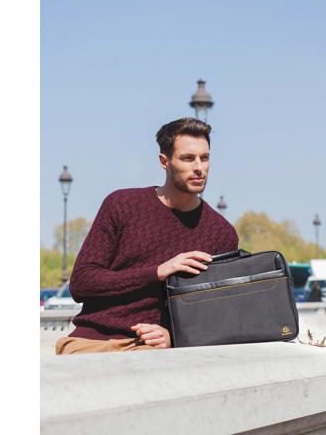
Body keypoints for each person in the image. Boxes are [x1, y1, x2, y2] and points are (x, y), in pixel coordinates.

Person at [55, 117, 239, 355]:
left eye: (204, 158)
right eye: (187, 158)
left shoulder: (221, 233)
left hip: (154, 350)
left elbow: (219, 312)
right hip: (94, 341)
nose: (199, 167)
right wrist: (157, 272)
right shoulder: (122, 205)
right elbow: (82, 283)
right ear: (165, 162)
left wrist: (174, 336)